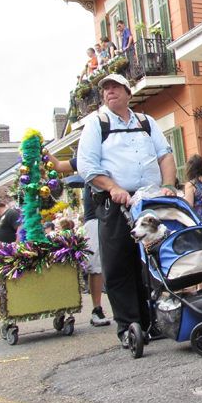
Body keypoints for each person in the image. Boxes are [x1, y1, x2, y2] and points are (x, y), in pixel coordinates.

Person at [77, 74, 177, 346]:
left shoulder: (147, 122)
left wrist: (168, 184)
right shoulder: (96, 124)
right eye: (105, 89)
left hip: (147, 202)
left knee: (151, 261)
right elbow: (86, 166)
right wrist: (112, 186)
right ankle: (129, 326)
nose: (109, 92)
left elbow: (165, 155)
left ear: (127, 92)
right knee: (119, 264)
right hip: (116, 203)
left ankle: (153, 320)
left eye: (114, 87)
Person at [46, 152, 112, 327]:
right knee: (95, 265)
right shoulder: (88, 156)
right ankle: (97, 308)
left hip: (117, 210)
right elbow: (59, 166)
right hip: (95, 216)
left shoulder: (115, 150)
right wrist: (44, 153)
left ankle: (132, 306)